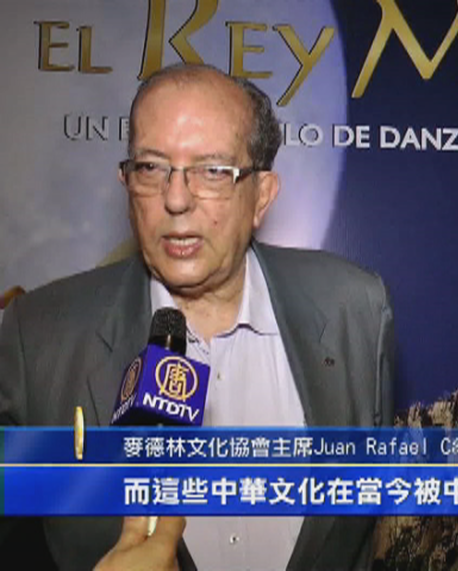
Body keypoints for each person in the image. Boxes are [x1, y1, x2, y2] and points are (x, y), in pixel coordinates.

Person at [0, 63, 395, 570]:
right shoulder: (39, 336)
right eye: (151, 168)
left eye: (212, 171)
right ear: (126, 182)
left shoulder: (355, 309)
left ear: (262, 196)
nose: (176, 199)